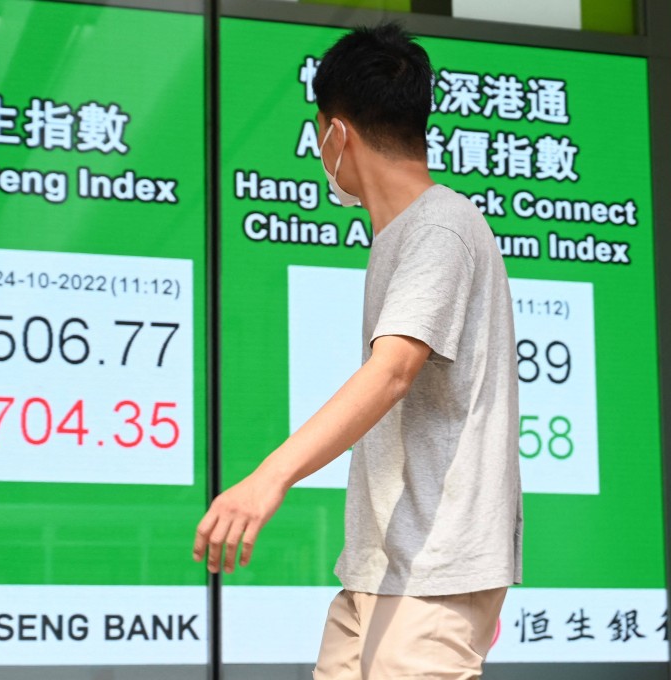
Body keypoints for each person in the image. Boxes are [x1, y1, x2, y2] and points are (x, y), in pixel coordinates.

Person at [193, 22, 522, 679]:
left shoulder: (441, 227)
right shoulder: (398, 238)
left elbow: (392, 371)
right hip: (382, 568)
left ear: (335, 133)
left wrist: (267, 480)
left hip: (434, 570)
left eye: (319, 132)